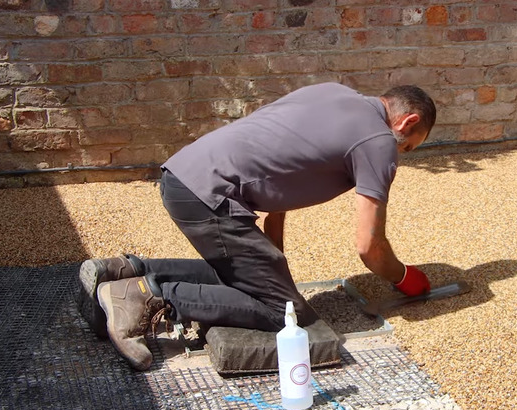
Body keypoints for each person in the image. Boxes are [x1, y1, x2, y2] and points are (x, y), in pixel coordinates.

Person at [83, 82, 437, 371]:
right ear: (407, 122)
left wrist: (271, 259)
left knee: (249, 279)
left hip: (184, 175)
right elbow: (369, 246)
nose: (400, 153)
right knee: (283, 310)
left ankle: (123, 271)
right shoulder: (378, 141)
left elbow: (279, 164)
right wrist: (405, 278)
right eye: (408, 147)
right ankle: (144, 298)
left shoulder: (332, 92)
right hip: (213, 198)